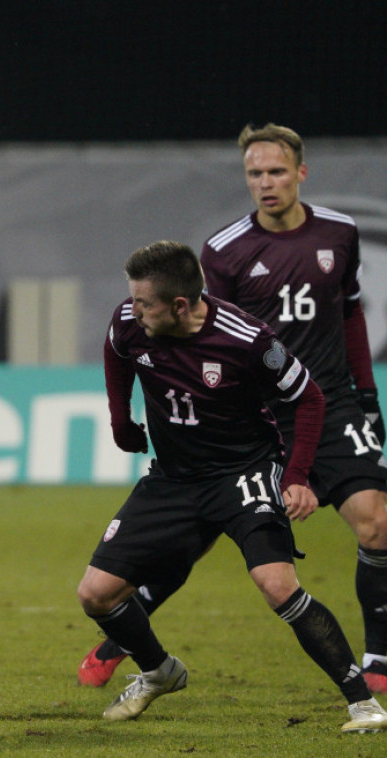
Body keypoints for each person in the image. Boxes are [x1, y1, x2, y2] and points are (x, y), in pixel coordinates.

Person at [77, 123, 387, 694]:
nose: (265, 183)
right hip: (258, 414)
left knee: (378, 523)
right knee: (197, 536)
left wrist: (366, 396)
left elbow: (350, 315)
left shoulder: (341, 233)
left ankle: (379, 658)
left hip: (328, 399)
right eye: (254, 173)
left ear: (300, 172)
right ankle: (123, 638)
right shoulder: (226, 250)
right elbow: (201, 333)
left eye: (275, 171)